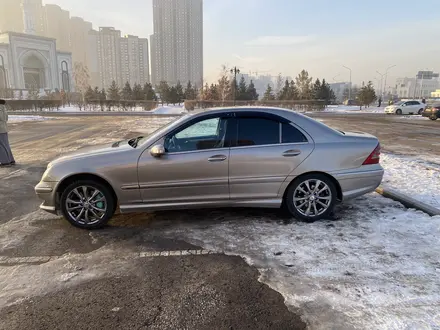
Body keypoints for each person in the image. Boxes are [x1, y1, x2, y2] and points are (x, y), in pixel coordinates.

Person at [0, 99, 15, 166]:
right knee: (6, 145)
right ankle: (11, 160)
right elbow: (6, 118)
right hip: (4, 129)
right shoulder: (4, 108)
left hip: (0, 130)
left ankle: (5, 162)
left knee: (1, 146)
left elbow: (2, 118)